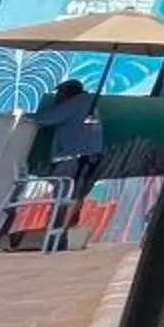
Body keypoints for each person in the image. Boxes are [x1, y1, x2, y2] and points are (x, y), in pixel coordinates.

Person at [30, 80, 107, 249]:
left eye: (60, 94)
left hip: (76, 157)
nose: (57, 97)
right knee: (76, 196)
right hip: (91, 156)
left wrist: (22, 116)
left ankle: (56, 237)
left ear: (67, 94)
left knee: (64, 197)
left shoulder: (75, 104)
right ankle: (64, 236)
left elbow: (47, 119)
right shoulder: (88, 103)